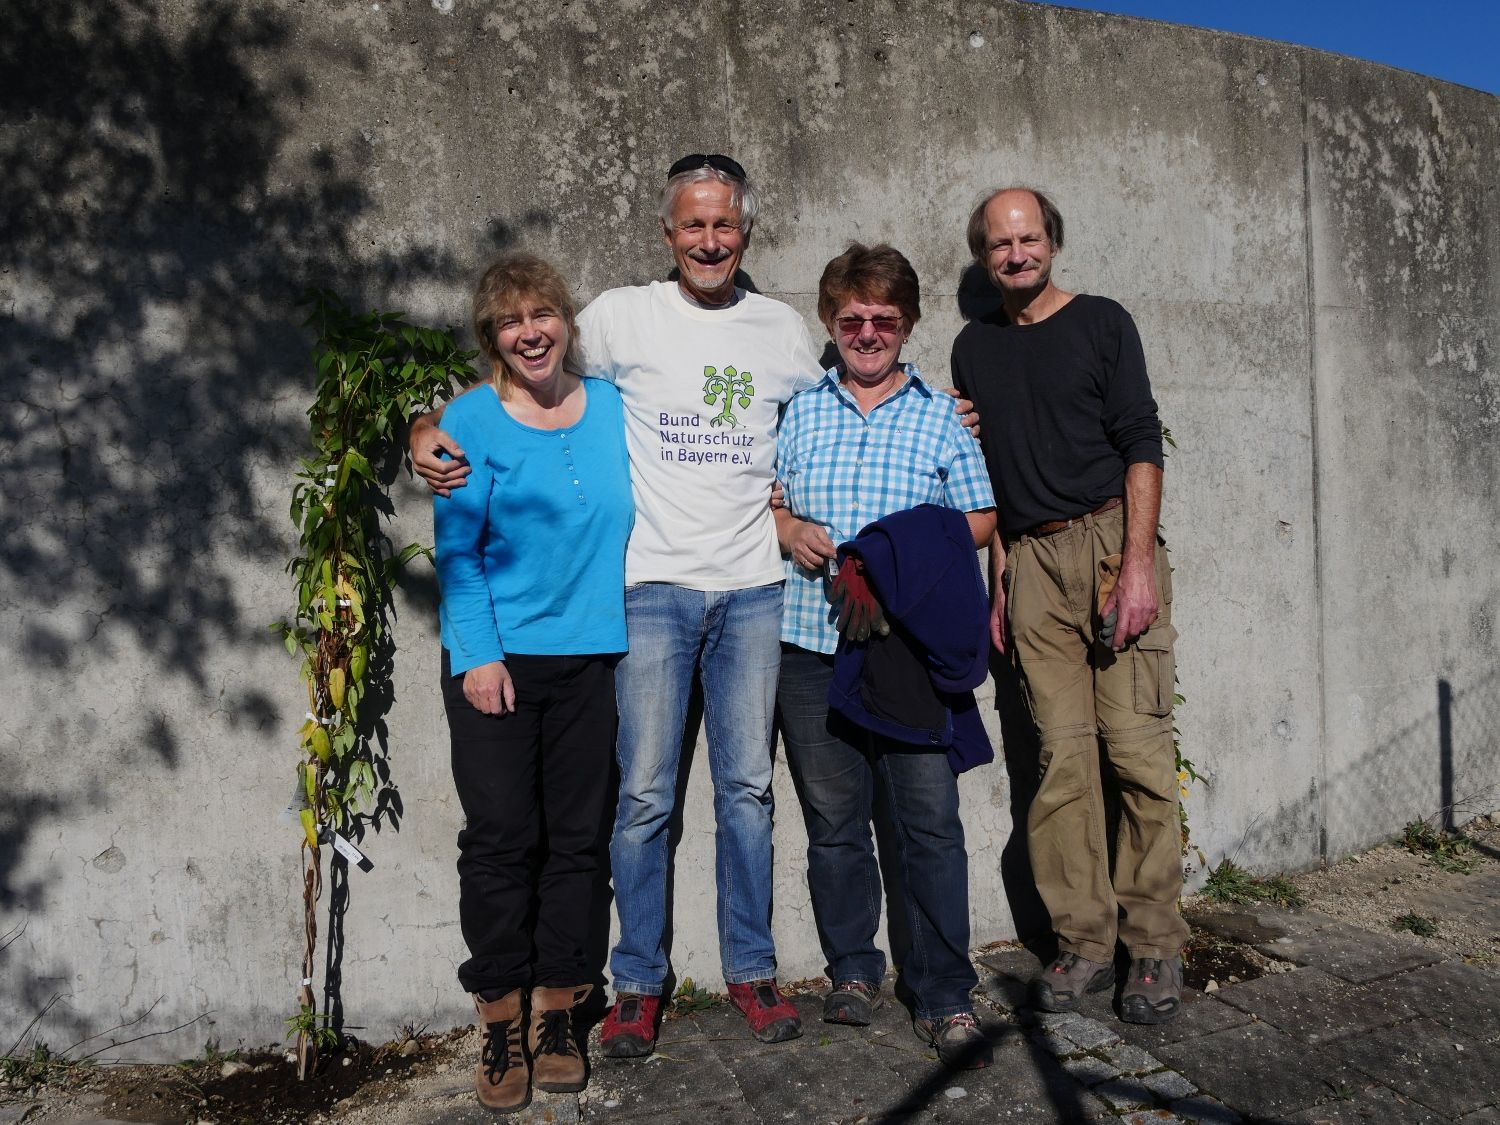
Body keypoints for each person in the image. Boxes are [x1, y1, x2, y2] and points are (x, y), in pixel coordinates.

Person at [417, 154, 823, 1055]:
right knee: (641, 797)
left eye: (724, 225)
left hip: (753, 589)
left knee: (749, 791)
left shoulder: (783, 330)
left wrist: (945, 413)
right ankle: (637, 980)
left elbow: (837, 402)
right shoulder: (617, 318)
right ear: (667, 233)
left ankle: (750, 971)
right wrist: (421, 424)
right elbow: (517, 379)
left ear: (745, 231)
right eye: (692, 225)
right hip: (649, 594)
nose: (709, 240)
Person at [951, 188, 1188, 1024]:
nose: (1017, 254)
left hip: (1109, 542)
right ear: (984, 257)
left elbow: (1142, 442)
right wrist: (998, 582)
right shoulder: (973, 348)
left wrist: (1136, 567)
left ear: (1054, 239)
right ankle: (1085, 940)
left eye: (1029, 238)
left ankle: (1155, 942)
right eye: (1000, 244)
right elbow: (987, 476)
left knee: (1137, 754)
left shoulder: (1103, 323)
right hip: (1029, 562)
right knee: (1059, 761)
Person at [773, 244, 998, 1067]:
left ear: (907, 326)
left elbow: (978, 517)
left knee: (929, 823)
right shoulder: (802, 410)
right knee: (836, 825)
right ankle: (854, 970)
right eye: (853, 319)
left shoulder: (940, 414)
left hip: (904, 653)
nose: (868, 333)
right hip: (811, 645)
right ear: (832, 324)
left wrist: (897, 551)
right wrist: (787, 527)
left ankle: (943, 990)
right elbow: (769, 502)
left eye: (885, 321)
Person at [433, 253, 633, 1111]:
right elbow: (456, 551)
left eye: (542, 313)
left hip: (590, 659)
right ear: (493, 337)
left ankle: (560, 1007)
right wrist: (478, 655)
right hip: (498, 667)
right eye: (511, 322)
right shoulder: (471, 422)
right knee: (502, 839)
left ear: (565, 320)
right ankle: (500, 1015)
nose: (530, 332)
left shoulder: (615, 408)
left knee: (579, 840)